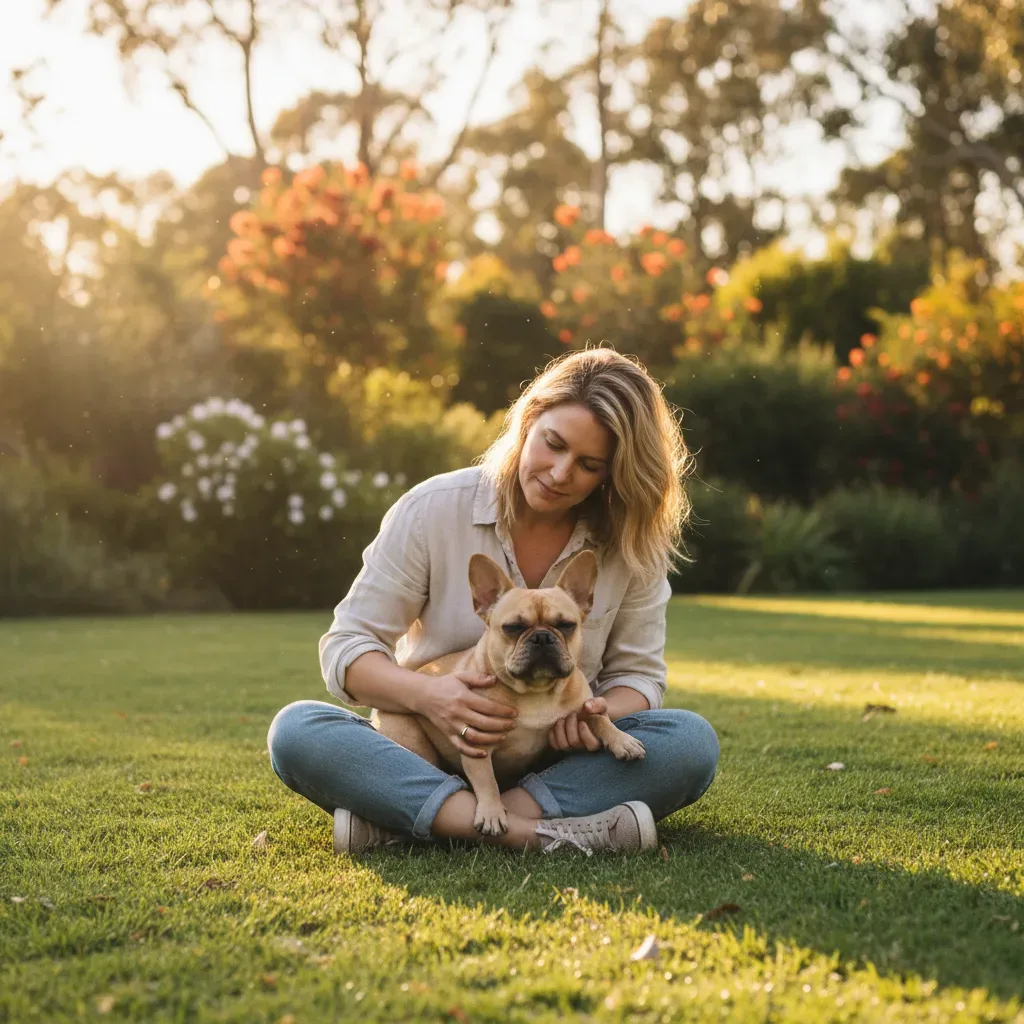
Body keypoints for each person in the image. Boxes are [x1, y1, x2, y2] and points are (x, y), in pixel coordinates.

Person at [267, 346, 719, 855]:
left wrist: (590, 717)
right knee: (298, 730)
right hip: (425, 748)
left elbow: (639, 677)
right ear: (528, 421)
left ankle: (424, 821)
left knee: (689, 742)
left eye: (589, 464)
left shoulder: (629, 544)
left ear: (613, 474)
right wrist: (430, 698)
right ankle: (536, 833)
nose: (560, 472)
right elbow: (347, 646)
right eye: (553, 444)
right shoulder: (432, 509)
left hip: (557, 758)